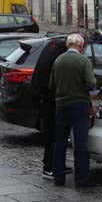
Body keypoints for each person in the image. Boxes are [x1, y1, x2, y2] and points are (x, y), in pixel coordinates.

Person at [49, 33, 96, 188]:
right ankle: (81, 179)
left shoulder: (58, 60)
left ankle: (59, 178)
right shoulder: (83, 60)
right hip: (79, 105)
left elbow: (51, 85)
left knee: (60, 142)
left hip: (61, 105)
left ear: (68, 45)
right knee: (81, 144)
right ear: (81, 46)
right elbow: (91, 83)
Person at [31, 37, 69, 179]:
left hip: (45, 98)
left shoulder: (52, 47)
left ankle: (57, 164)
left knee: (54, 134)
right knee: (53, 134)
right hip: (50, 100)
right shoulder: (60, 53)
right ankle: (49, 167)